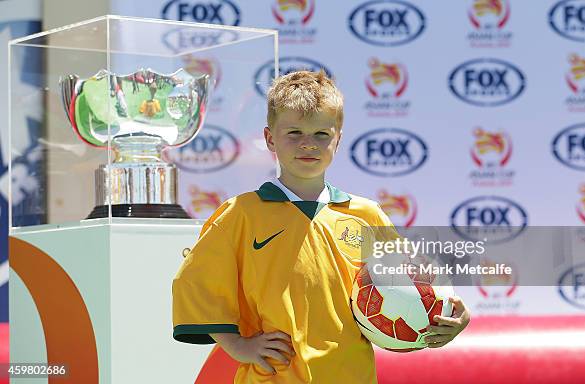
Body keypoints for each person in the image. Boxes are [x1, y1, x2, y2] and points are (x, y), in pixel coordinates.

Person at [172, 70, 470, 383]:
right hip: (274, 376)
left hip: (351, 375)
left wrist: (449, 317)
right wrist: (237, 345)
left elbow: (409, 286)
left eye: (321, 135)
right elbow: (197, 286)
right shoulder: (240, 214)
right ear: (270, 138)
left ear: (338, 140)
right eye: (295, 133)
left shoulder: (366, 215)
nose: (308, 145)